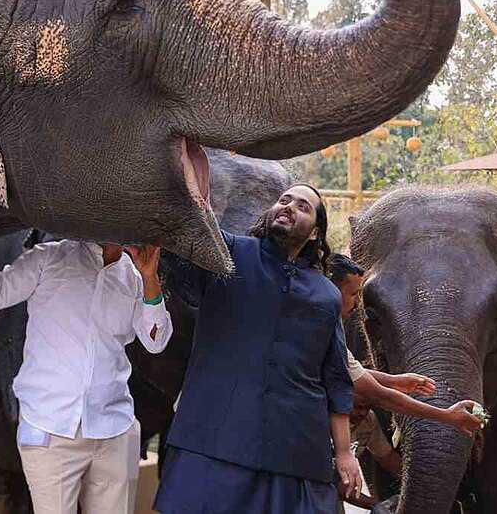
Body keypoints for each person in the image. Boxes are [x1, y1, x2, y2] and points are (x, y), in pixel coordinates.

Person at [154, 185, 363, 514]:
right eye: (284, 200)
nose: (289, 206)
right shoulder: (227, 254)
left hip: (295, 452)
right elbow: (182, 231)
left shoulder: (326, 295)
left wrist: (344, 452)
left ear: (315, 233)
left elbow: (335, 378)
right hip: (215, 440)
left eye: (303, 206)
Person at [0, 197, 172, 514]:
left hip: (114, 432)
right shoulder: (50, 258)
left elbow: (156, 340)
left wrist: (150, 276)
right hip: (50, 429)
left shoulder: (134, 277)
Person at [327, 253, 484, 510]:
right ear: (331, 291)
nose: (356, 305)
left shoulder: (366, 422)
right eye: (353, 294)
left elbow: (353, 375)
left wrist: (394, 380)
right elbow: (379, 395)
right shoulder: (323, 336)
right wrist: (448, 416)